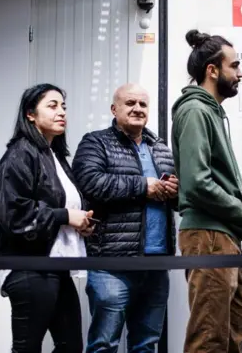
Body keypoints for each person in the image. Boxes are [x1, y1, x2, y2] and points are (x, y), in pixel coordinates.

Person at [170, 29, 242, 353]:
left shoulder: (209, 111)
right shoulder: (195, 111)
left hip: (221, 233)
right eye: (234, 65)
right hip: (209, 234)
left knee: (233, 329)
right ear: (212, 70)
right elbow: (196, 182)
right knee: (209, 337)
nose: (240, 73)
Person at [71, 83, 177, 353]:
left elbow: (175, 200)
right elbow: (91, 183)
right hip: (111, 264)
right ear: (113, 109)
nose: (137, 109)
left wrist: (175, 190)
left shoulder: (161, 147)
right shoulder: (95, 142)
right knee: (104, 345)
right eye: (130, 103)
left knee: (147, 345)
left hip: (156, 263)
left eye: (142, 104)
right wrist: (144, 186)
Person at [0, 83, 93, 352]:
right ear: (30, 114)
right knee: (28, 348)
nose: (62, 112)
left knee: (71, 346)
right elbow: (13, 214)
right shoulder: (21, 153)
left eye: (64, 107)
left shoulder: (53, 155)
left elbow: (60, 207)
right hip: (29, 267)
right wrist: (65, 216)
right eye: (53, 105)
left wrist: (80, 223)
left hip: (55, 266)